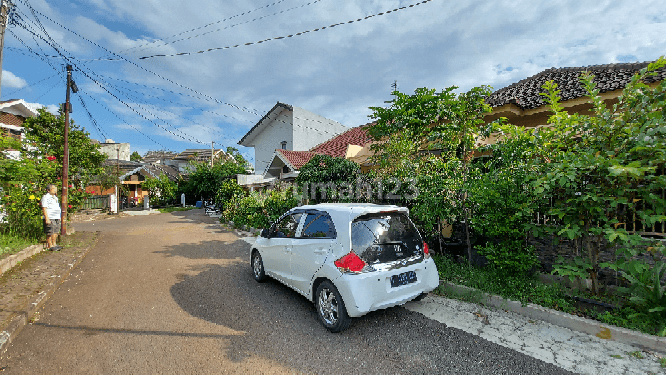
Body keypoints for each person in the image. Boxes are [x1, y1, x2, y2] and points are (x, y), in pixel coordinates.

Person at [41, 184, 62, 251]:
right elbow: (44, 208)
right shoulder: (45, 197)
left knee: (56, 231)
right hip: (50, 217)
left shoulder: (55, 197)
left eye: (56, 188)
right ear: (48, 190)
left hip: (56, 216)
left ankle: (54, 244)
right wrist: (47, 218)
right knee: (50, 231)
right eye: (53, 188)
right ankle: (50, 245)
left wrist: (59, 216)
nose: (55, 190)